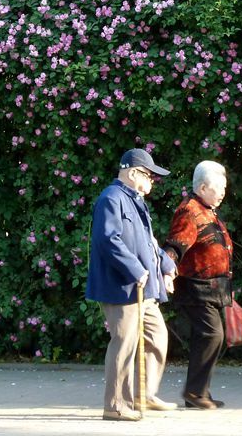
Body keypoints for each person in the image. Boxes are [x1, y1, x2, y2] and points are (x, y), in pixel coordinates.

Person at [86, 148, 179, 421]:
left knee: (157, 336)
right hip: (122, 288)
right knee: (124, 343)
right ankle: (115, 405)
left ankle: (143, 394)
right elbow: (108, 240)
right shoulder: (111, 199)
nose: (152, 181)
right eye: (149, 175)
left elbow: (149, 243)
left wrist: (166, 267)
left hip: (144, 289)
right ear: (134, 172)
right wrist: (136, 270)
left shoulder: (135, 200)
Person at [164, 160, 233, 410]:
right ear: (203, 187)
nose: (224, 192)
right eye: (220, 187)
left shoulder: (207, 209)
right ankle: (195, 393)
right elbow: (176, 244)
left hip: (212, 287)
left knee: (207, 337)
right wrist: (167, 271)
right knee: (212, 335)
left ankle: (198, 392)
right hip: (196, 287)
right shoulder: (189, 211)